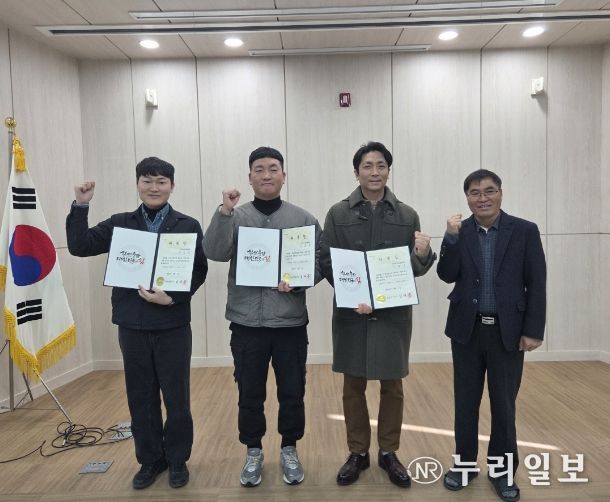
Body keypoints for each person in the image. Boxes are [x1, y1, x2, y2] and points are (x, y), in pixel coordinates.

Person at [66, 157, 207, 490]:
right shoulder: (120, 223)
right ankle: (150, 460)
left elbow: (198, 270)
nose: (154, 187)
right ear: (137, 184)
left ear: (171, 186)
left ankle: (177, 460)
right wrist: (81, 205)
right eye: (147, 181)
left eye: (161, 181)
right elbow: (79, 246)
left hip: (172, 323)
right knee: (140, 398)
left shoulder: (187, 224)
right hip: (132, 324)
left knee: (177, 398)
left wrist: (172, 297)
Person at [203, 146, 321, 488]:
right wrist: (224, 212)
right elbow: (214, 251)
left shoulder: (303, 219)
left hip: (289, 322)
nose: (266, 175)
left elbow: (319, 263)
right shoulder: (235, 215)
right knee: (249, 392)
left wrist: (300, 281)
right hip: (246, 323)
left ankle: (289, 448)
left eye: (273, 168)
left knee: (292, 391)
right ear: (250, 177)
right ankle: (253, 450)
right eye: (259, 169)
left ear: (284, 175)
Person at [320, 141, 436, 488]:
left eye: (381, 165)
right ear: (356, 172)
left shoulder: (407, 215)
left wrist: (423, 254)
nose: (374, 172)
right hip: (352, 313)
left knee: (392, 385)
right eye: (367, 166)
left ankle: (388, 451)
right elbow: (327, 260)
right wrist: (355, 294)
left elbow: (413, 268)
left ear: (388, 170)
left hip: (392, 314)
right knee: (352, 386)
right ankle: (358, 452)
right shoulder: (338, 213)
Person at [437, 169, 546, 502]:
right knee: (465, 403)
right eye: (474, 193)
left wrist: (533, 330)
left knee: (504, 405)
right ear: (467, 198)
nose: (482, 198)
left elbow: (537, 283)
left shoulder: (525, 230)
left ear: (501, 193)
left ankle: (502, 471)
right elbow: (446, 274)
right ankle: (465, 465)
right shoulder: (460, 231)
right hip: (466, 331)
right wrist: (450, 238)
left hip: (507, 333)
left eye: (489, 191)